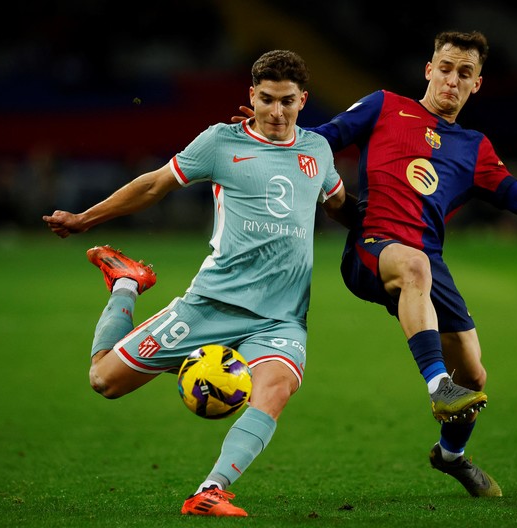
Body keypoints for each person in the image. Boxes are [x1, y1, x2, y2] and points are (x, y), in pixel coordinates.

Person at [235, 30, 517, 498]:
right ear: (429, 69)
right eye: (445, 68)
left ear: (476, 84)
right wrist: (271, 129)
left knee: (476, 376)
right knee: (417, 273)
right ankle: (437, 384)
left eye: (464, 73)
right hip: (372, 246)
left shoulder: (475, 148)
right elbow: (320, 140)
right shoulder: (384, 106)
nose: (451, 80)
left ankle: (450, 456)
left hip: (427, 262)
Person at [43, 49, 356, 517]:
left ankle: (210, 491)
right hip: (212, 305)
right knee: (104, 380)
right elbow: (153, 185)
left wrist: (396, 235)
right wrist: (87, 218)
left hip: (281, 319)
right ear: (251, 95)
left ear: (303, 100)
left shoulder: (317, 150)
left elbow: (340, 207)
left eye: (287, 101)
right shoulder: (220, 142)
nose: (276, 111)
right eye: (266, 99)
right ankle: (126, 283)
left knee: (276, 388)